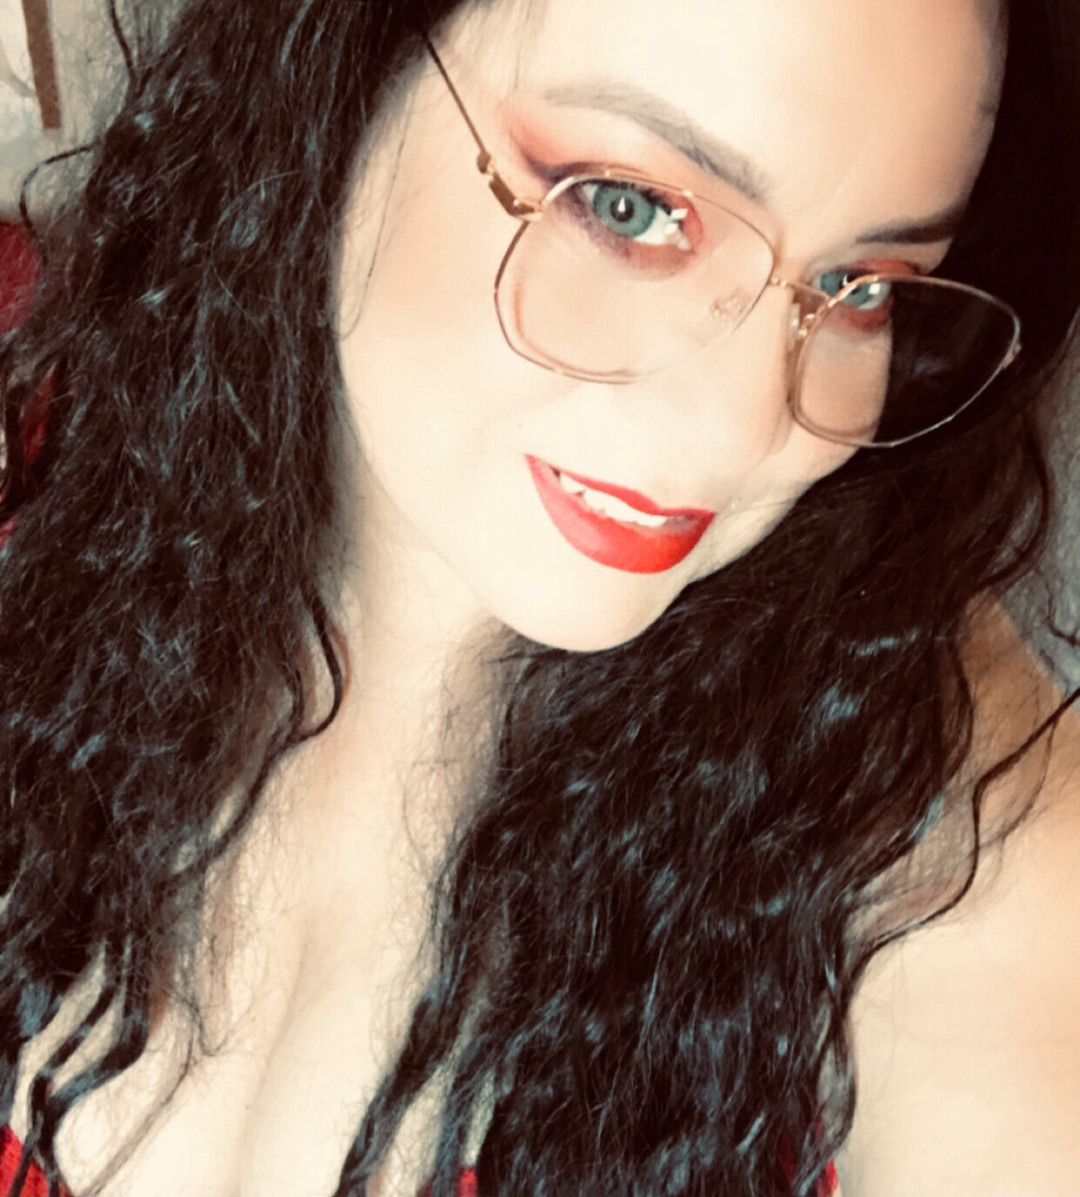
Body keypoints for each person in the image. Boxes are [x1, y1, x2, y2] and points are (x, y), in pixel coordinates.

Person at [1, 0, 1080, 1194]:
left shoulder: (956, 841)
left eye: (860, 286)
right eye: (628, 208)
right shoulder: (35, 477)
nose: (741, 429)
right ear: (343, 70)